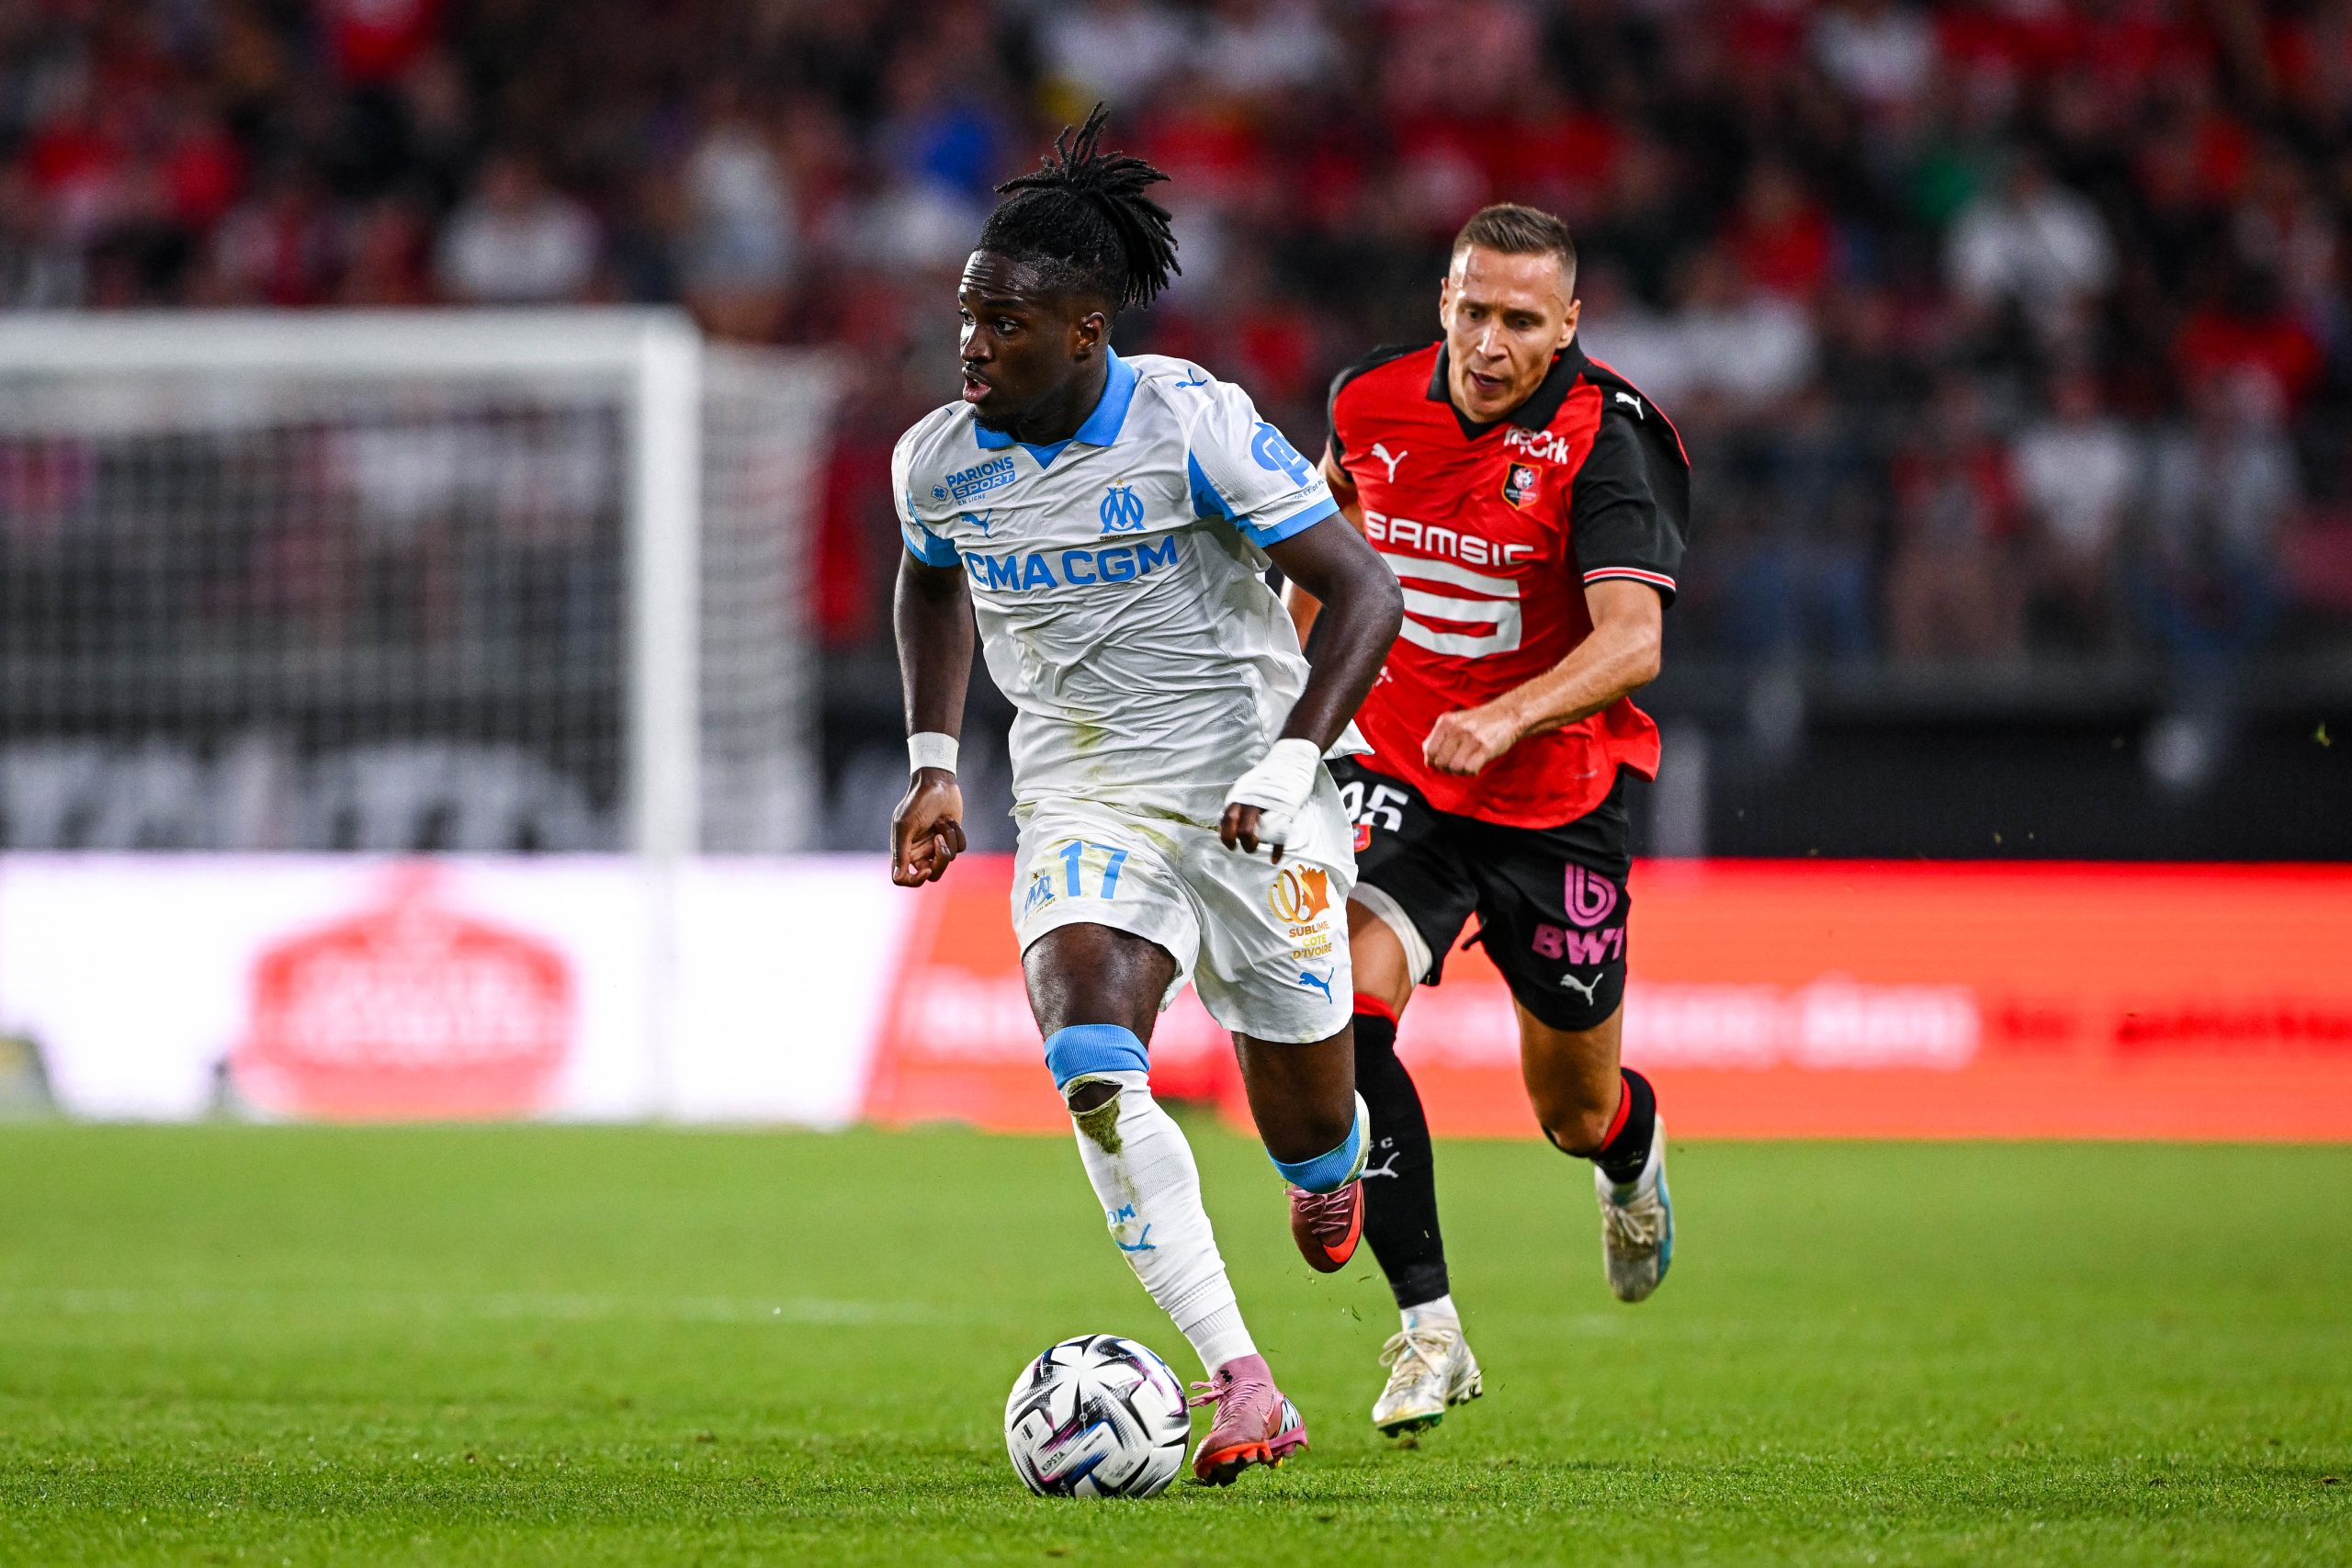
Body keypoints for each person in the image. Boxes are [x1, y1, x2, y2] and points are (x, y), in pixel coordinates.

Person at [888, 108, 1405, 1485]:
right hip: (1084, 798)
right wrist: (935, 760)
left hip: (1253, 795)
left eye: (1004, 323)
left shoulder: (1192, 427)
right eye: (965, 317)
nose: (971, 346)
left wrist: (1294, 761)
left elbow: (1366, 591)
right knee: (1088, 1049)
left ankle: (1330, 1166)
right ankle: (1243, 1380)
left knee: (1307, 1125)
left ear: (1085, 330)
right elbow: (929, 579)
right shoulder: (939, 459)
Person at [1287, 203, 1690, 1437]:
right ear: (1444, 303)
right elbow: (1321, 552)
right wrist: (1282, 709)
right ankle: (1431, 1332)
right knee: (1343, 1013)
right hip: (1402, 769)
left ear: (1568, 325)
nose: (1491, 342)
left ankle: (1630, 1156)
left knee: (1572, 1110)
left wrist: (1509, 717)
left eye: (1522, 319)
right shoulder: (1369, 402)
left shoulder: (1611, 440)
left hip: (1557, 798)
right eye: (1474, 311)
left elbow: (1635, 640)